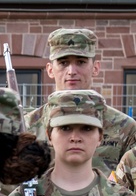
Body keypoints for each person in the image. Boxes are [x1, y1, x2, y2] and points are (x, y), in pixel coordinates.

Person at [24, 28, 136, 173]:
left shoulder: (125, 128)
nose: (71, 71)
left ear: (95, 68)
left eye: (81, 62)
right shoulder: (27, 127)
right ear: (50, 70)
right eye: (63, 63)